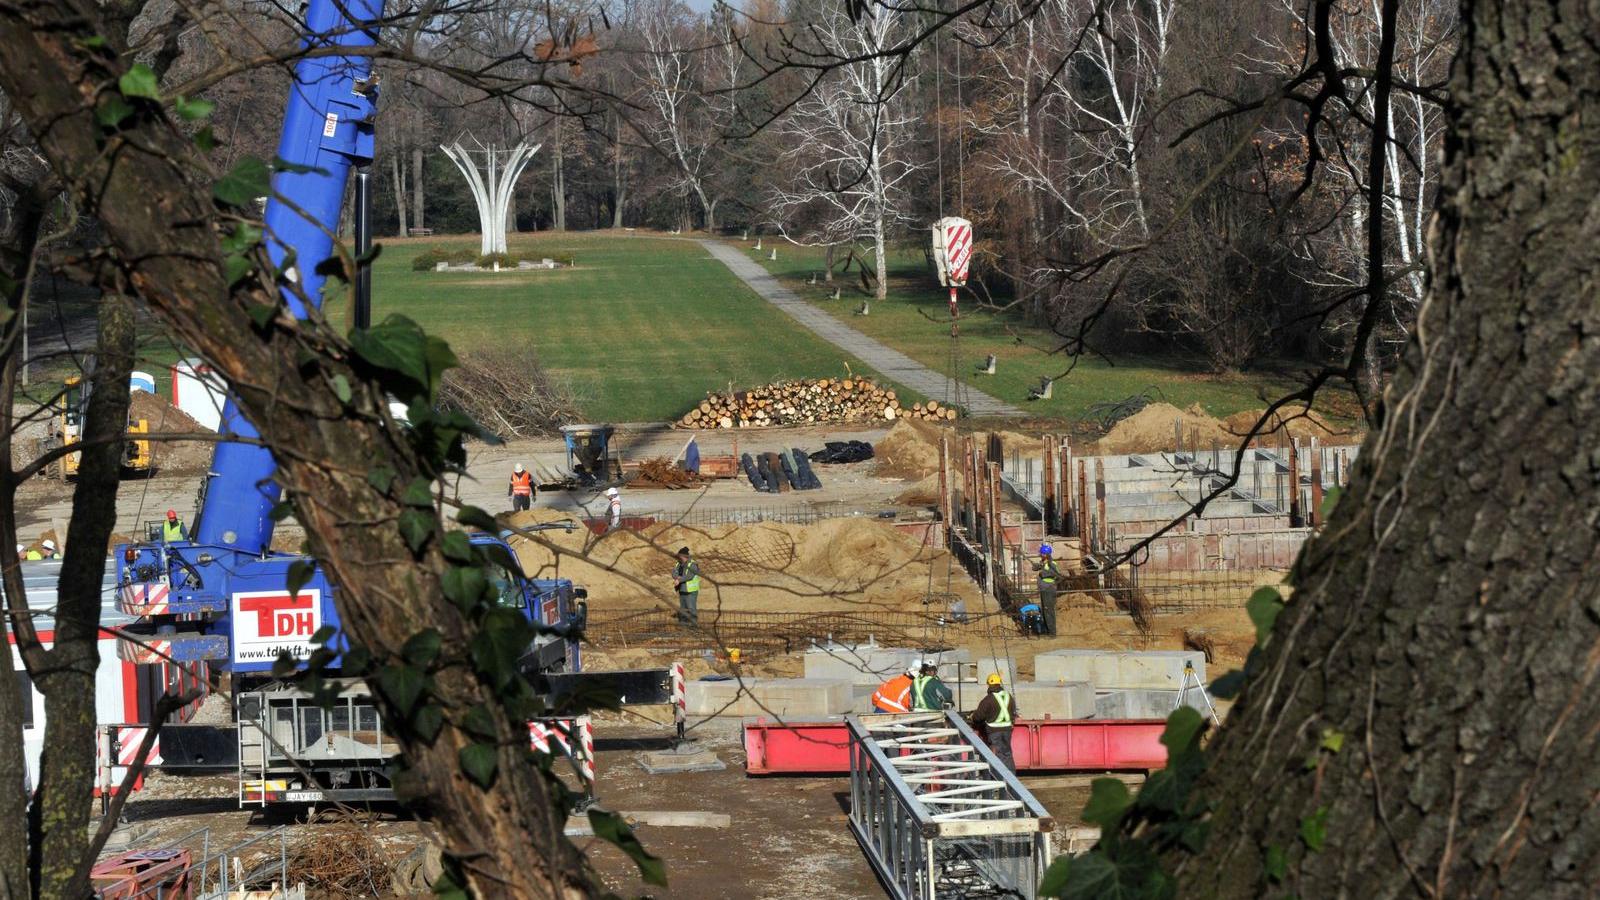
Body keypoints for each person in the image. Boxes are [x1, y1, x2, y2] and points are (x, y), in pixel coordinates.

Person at [970, 673, 1019, 771]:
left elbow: (978, 717)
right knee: (1007, 754)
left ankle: (999, 778)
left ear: (989, 685)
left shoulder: (988, 699)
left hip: (994, 732)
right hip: (1007, 731)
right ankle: (1011, 777)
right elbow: (1013, 712)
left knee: (997, 755)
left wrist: (972, 717)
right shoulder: (1008, 696)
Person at [1032, 543, 1060, 636]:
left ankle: (1052, 632)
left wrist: (1043, 573)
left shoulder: (1052, 564)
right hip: (1044, 589)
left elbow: (1056, 574)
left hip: (1049, 589)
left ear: (1045, 554)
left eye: (1041, 553)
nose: (1040, 555)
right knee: (1045, 610)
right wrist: (1036, 566)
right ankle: (1047, 630)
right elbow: (1035, 568)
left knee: (1049, 610)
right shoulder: (1043, 563)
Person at [671, 546, 701, 627]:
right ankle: (683, 626)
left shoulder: (693, 564)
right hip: (682, 590)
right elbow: (674, 572)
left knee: (691, 609)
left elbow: (689, 576)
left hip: (691, 591)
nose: (679, 558)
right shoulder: (678, 563)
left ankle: (694, 626)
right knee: (683, 609)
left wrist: (679, 580)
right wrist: (677, 577)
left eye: (680, 556)